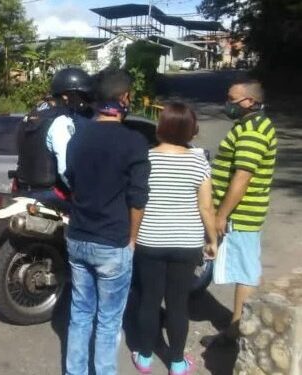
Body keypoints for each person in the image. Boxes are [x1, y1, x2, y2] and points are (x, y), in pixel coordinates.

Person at [63, 69, 150, 375]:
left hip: (77, 237)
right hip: (112, 241)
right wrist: (133, 239)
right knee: (109, 320)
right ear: (124, 98)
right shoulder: (134, 142)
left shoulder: (77, 137)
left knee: (80, 313)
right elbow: (138, 198)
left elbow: (71, 181)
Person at [131, 102, 218, 375]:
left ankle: (144, 357)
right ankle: (177, 363)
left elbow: (137, 202)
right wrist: (212, 239)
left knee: (149, 299)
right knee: (178, 303)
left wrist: (131, 236)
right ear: (191, 131)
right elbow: (206, 207)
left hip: (150, 241)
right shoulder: (198, 160)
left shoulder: (146, 159)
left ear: (162, 127)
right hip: (186, 243)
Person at [205, 78, 277, 346]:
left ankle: (236, 333)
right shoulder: (248, 125)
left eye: (232, 100)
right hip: (242, 213)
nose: (228, 104)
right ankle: (236, 328)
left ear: (249, 102)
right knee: (241, 270)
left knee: (245, 273)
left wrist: (222, 214)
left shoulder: (254, 132)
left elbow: (242, 178)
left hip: (242, 215)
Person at [15, 67, 93, 211]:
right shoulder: (61, 121)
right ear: (66, 96)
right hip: (51, 194)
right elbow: (65, 168)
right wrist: (82, 192)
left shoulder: (30, 117)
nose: (83, 101)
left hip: (24, 190)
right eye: (81, 96)